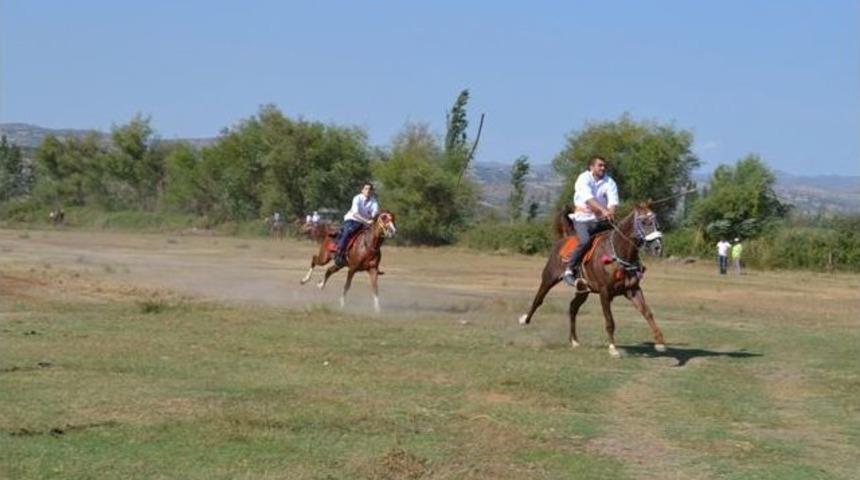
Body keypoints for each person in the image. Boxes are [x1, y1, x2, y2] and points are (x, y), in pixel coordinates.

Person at [562, 156, 619, 288]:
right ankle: (569, 270)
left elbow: (613, 200)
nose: (603, 168)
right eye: (600, 165)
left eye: (604, 166)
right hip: (583, 218)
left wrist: (610, 211)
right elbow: (588, 199)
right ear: (591, 167)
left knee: (620, 237)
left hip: (601, 220)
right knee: (585, 241)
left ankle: (628, 267)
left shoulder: (609, 181)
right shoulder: (583, 178)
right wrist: (603, 211)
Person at [335, 183, 379, 267]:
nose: (368, 191)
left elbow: (375, 214)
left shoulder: (374, 201)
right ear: (362, 190)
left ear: (372, 191)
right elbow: (355, 214)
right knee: (348, 232)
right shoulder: (357, 198)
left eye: (370, 189)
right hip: (352, 220)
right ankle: (339, 254)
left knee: (374, 237)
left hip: (365, 223)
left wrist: (373, 219)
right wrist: (367, 221)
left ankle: (374, 260)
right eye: (366, 189)